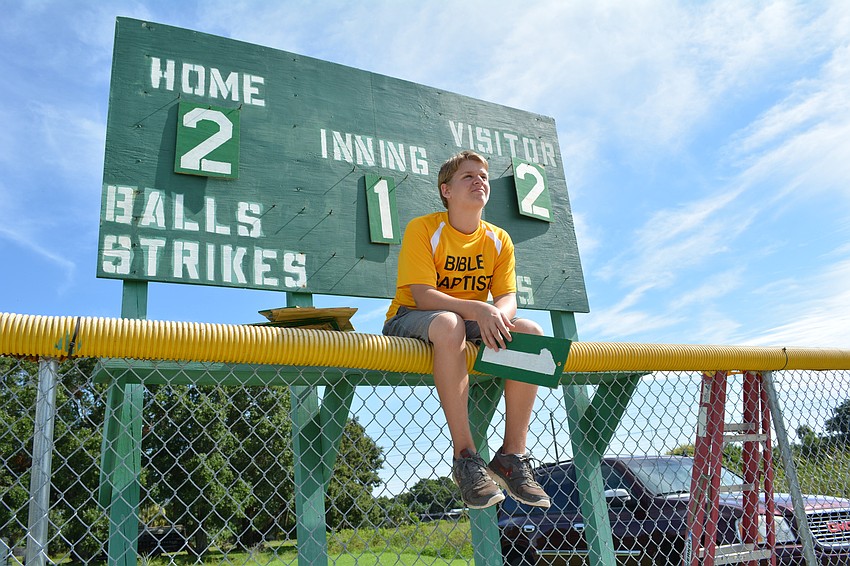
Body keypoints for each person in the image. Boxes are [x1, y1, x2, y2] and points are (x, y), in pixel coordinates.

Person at [383, 150, 550, 510]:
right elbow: (423, 295)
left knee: (532, 333)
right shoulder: (424, 228)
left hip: (469, 322)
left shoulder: (498, 239)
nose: (479, 181)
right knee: (448, 322)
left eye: (484, 177)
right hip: (411, 318)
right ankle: (466, 457)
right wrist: (480, 308)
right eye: (468, 176)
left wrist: (495, 315)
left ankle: (512, 456)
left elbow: (507, 298)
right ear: (446, 190)